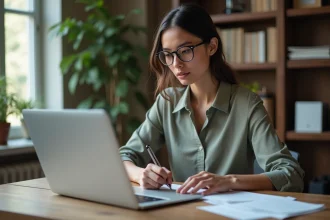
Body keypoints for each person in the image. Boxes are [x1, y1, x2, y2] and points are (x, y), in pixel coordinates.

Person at [119, 4, 304, 195]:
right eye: (168, 54)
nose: (176, 64)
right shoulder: (167, 103)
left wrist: (228, 181)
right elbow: (124, 156)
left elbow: (291, 174)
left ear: (212, 47)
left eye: (185, 50)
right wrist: (141, 174)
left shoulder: (246, 103)